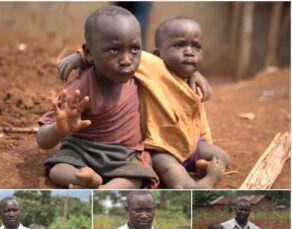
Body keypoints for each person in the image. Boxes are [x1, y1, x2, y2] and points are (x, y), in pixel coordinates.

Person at [58, 14, 230, 189]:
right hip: (160, 148)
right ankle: (206, 182)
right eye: (179, 45)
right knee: (174, 177)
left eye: (197, 47)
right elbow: (114, 53)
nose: (189, 52)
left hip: (191, 145)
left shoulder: (194, 85)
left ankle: (199, 164)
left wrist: (194, 73)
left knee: (223, 157)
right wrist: (80, 57)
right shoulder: (154, 68)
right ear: (157, 54)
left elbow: (199, 121)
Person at [37, 6, 158, 189]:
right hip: (81, 150)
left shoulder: (142, 73)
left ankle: (100, 189)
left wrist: (194, 75)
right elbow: (42, 140)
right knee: (58, 170)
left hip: (124, 154)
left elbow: (171, 69)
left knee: (135, 177)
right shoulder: (79, 89)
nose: (127, 60)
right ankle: (86, 178)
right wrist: (58, 129)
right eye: (114, 50)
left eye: (134, 49)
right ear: (90, 53)